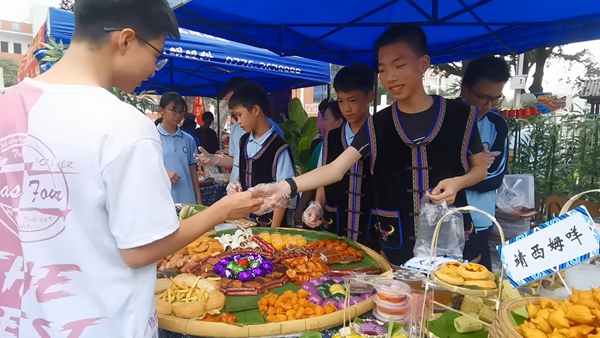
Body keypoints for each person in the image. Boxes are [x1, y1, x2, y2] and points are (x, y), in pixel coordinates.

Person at [0, 0, 262, 336]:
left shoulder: (7, 108)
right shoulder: (124, 126)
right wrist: (223, 209)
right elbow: (140, 251)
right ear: (125, 40)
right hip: (103, 325)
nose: (154, 69)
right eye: (156, 54)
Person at [250, 24, 488, 268]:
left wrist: (458, 182)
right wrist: (283, 187)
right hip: (397, 241)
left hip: (452, 238)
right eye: (383, 69)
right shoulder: (377, 124)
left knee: (452, 299)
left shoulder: (461, 115)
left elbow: (480, 169)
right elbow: (335, 169)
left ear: (423, 63)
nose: (390, 77)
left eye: (399, 65)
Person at [303, 64, 380, 252]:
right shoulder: (331, 137)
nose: (346, 108)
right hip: (335, 224)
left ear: (369, 97)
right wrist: (317, 205)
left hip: (370, 225)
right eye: (341, 100)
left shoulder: (381, 133)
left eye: (352, 100)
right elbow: (324, 175)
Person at [460, 56, 511, 270]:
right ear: (464, 89)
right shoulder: (442, 118)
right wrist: (477, 167)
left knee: (478, 285)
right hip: (443, 220)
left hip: (480, 220)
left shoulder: (497, 124)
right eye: (482, 98)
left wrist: (457, 172)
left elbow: (495, 179)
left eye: (496, 99)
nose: (488, 106)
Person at [228, 82, 295, 227]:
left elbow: (285, 194)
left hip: (270, 225)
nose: (238, 122)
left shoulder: (279, 148)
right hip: (245, 222)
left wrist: (273, 231)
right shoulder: (244, 140)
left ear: (256, 110)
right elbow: (246, 171)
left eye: (240, 115)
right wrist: (237, 183)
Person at [196, 77, 284, 182]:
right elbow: (235, 160)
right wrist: (212, 159)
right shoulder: (237, 130)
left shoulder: (274, 132)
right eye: (230, 106)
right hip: (238, 191)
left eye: (235, 104)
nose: (233, 110)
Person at [294, 99, 346, 227]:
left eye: (325, 119)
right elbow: (316, 178)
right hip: (324, 216)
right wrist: (312, 205)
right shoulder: (320, 145)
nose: (320, 124)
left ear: (339, 121)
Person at [158, 92, 203, 205]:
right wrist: (163, 174)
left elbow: (193, 170)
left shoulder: (188, 139)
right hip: (161, 200)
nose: (178, 115)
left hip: (187, 199)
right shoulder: (152, 137)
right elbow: (143, 168)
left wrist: (198, 198)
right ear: (161, 110)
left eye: (181, 111)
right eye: (174, 110)